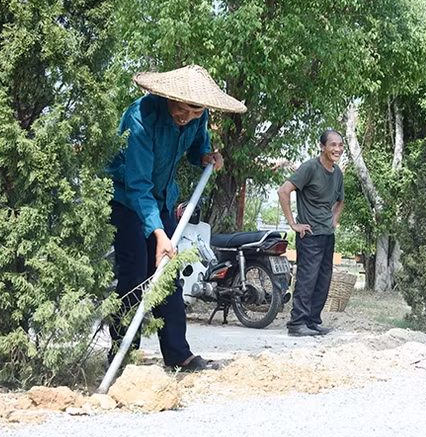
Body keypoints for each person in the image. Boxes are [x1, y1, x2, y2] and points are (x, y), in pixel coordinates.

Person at [107, 65, 246, 371]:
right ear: (168, 97)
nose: (185, 117)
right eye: (180, 110)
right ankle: (122, 357)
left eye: (193, 112)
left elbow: (198, 146)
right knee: (134, 276)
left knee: (168, 277)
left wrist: (206, 157)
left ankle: (178, 354)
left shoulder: (199, 115)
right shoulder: (140, 117)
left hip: (164, 201)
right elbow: (138, 184)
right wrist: (158, 233)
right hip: (128, 202)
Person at [278, 130, 345, 337]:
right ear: (322, 147)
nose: (337, 149)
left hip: (327, 235)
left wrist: (334, 220)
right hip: (309, 235)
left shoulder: (338, 173)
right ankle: (297, 323)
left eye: (340, 145)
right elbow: (283, 191)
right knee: (307, 278)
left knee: (323, 279)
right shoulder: (309, 167)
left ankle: (313, 321)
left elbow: (340, 200)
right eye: (333, 145)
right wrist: (293, 224)